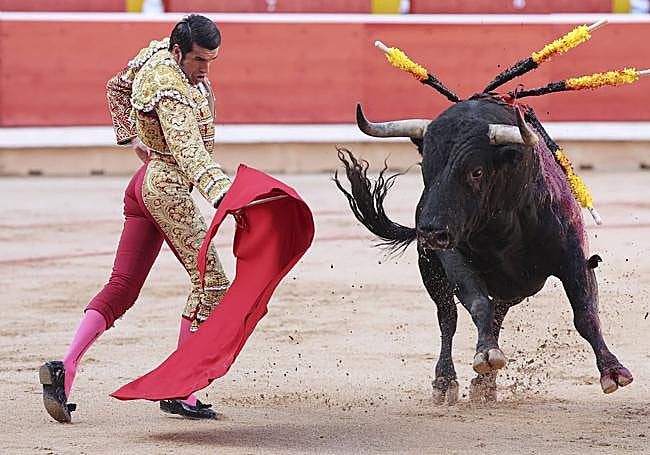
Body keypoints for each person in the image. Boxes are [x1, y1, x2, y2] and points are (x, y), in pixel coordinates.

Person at [39, 14, 232, 423]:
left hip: (144, 183)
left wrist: (131, 137)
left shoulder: (157, 52)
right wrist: (224, 194)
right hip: (166, 189)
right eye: (199, 61)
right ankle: (184, 389)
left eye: (211, 60)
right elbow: (189, 153)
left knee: (122, 286)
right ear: (179, 52)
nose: (205, 70)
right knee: (212, 282)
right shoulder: (171, 88)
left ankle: (65, 366)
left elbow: (117, 86)